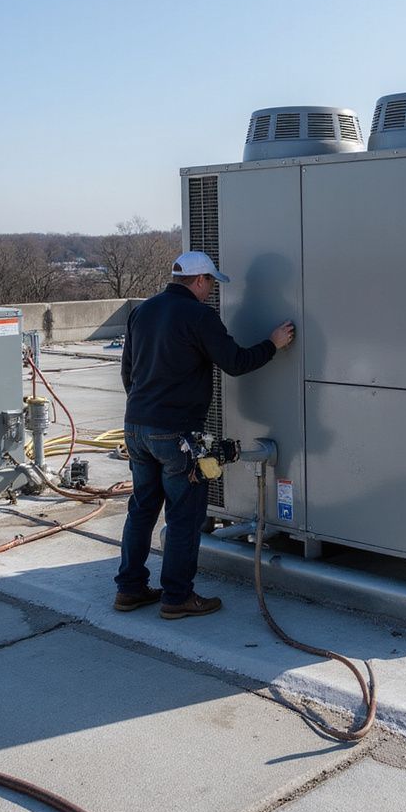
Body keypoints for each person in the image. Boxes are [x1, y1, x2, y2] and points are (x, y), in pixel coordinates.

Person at [113, 250, 295, 619]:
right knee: (183, 516)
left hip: (136, 426)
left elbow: (127, 372)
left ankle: (129, 590)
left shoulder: (142, 311)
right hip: (176, 432)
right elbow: (236, 363)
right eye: (211, 282)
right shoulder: (200, 316)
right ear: (198, 281)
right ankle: (177, 597)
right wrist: (273, 344)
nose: (211, 290)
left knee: (142, 509)